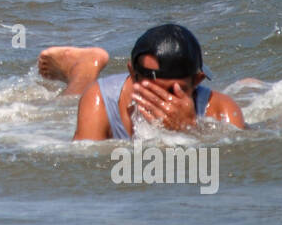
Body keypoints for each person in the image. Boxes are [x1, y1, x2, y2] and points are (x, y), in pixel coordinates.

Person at [38, 25, 245, 141]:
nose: (162, 101)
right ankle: (81, 70)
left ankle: (248, 84)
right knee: (67, 102)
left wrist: (191, 130)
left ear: (197, 81)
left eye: (176, 91)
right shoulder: (102, 98)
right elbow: (80, 166)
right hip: (100, 92)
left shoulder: (219, 108)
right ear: (132, 74)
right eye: (151, 90)